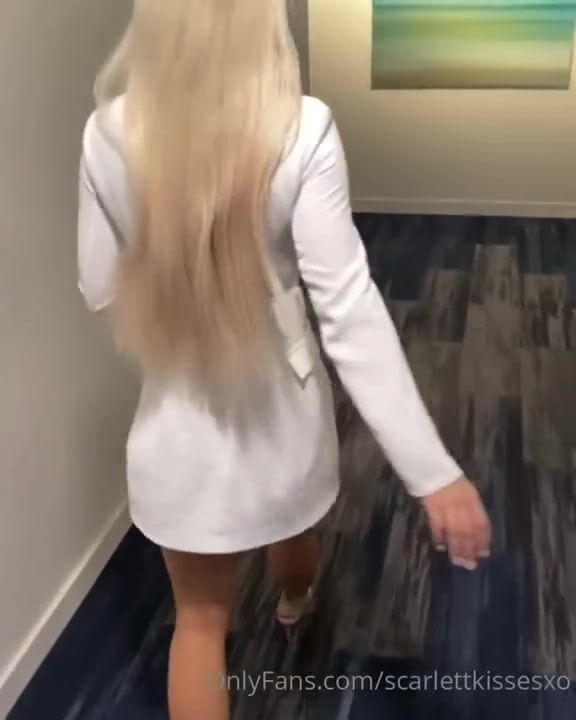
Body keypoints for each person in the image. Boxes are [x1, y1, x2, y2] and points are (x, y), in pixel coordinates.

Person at [77, 1, 491, 718]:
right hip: (283, 409)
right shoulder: (303, 127)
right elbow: (349, 309)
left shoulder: (107, 131)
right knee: (293, 524)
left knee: (198, 624)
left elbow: (99, 286)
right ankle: (296, 603)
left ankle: (291, 601)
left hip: (175, 428)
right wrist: (433, 473)